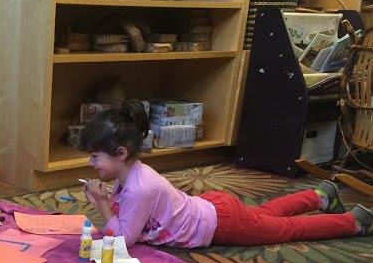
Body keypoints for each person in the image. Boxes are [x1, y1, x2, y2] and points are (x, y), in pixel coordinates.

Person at [79, 100, 373, 249]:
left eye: (95, 156)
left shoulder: (139, 186)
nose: (91, 163)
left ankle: (353, 222)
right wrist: (102, 200)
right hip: (213, 208)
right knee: (265, 215)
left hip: (220, 224)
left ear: (120, 153)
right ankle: (319, 196)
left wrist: (102, 204)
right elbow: (131, 213)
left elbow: (123, 240)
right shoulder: (131, 174)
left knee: (285, 230)